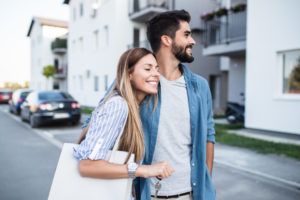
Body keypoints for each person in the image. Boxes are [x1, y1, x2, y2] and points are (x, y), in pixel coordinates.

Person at [83, 10, 216, 200]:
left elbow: (208, 136)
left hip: (191, 193)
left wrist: (206, 181)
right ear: (167, 40)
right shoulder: (138, 82)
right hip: (147, 193)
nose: (193, 41)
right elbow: (94, 125)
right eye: (186, 34)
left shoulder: (199, 86)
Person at [73, 48, 175, 195]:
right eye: (148, 69)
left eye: (156, 69)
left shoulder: (135, 107)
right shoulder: (118, 105)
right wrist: (144, 170)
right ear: (129, 74)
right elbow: (86, 165)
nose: (156, 74)